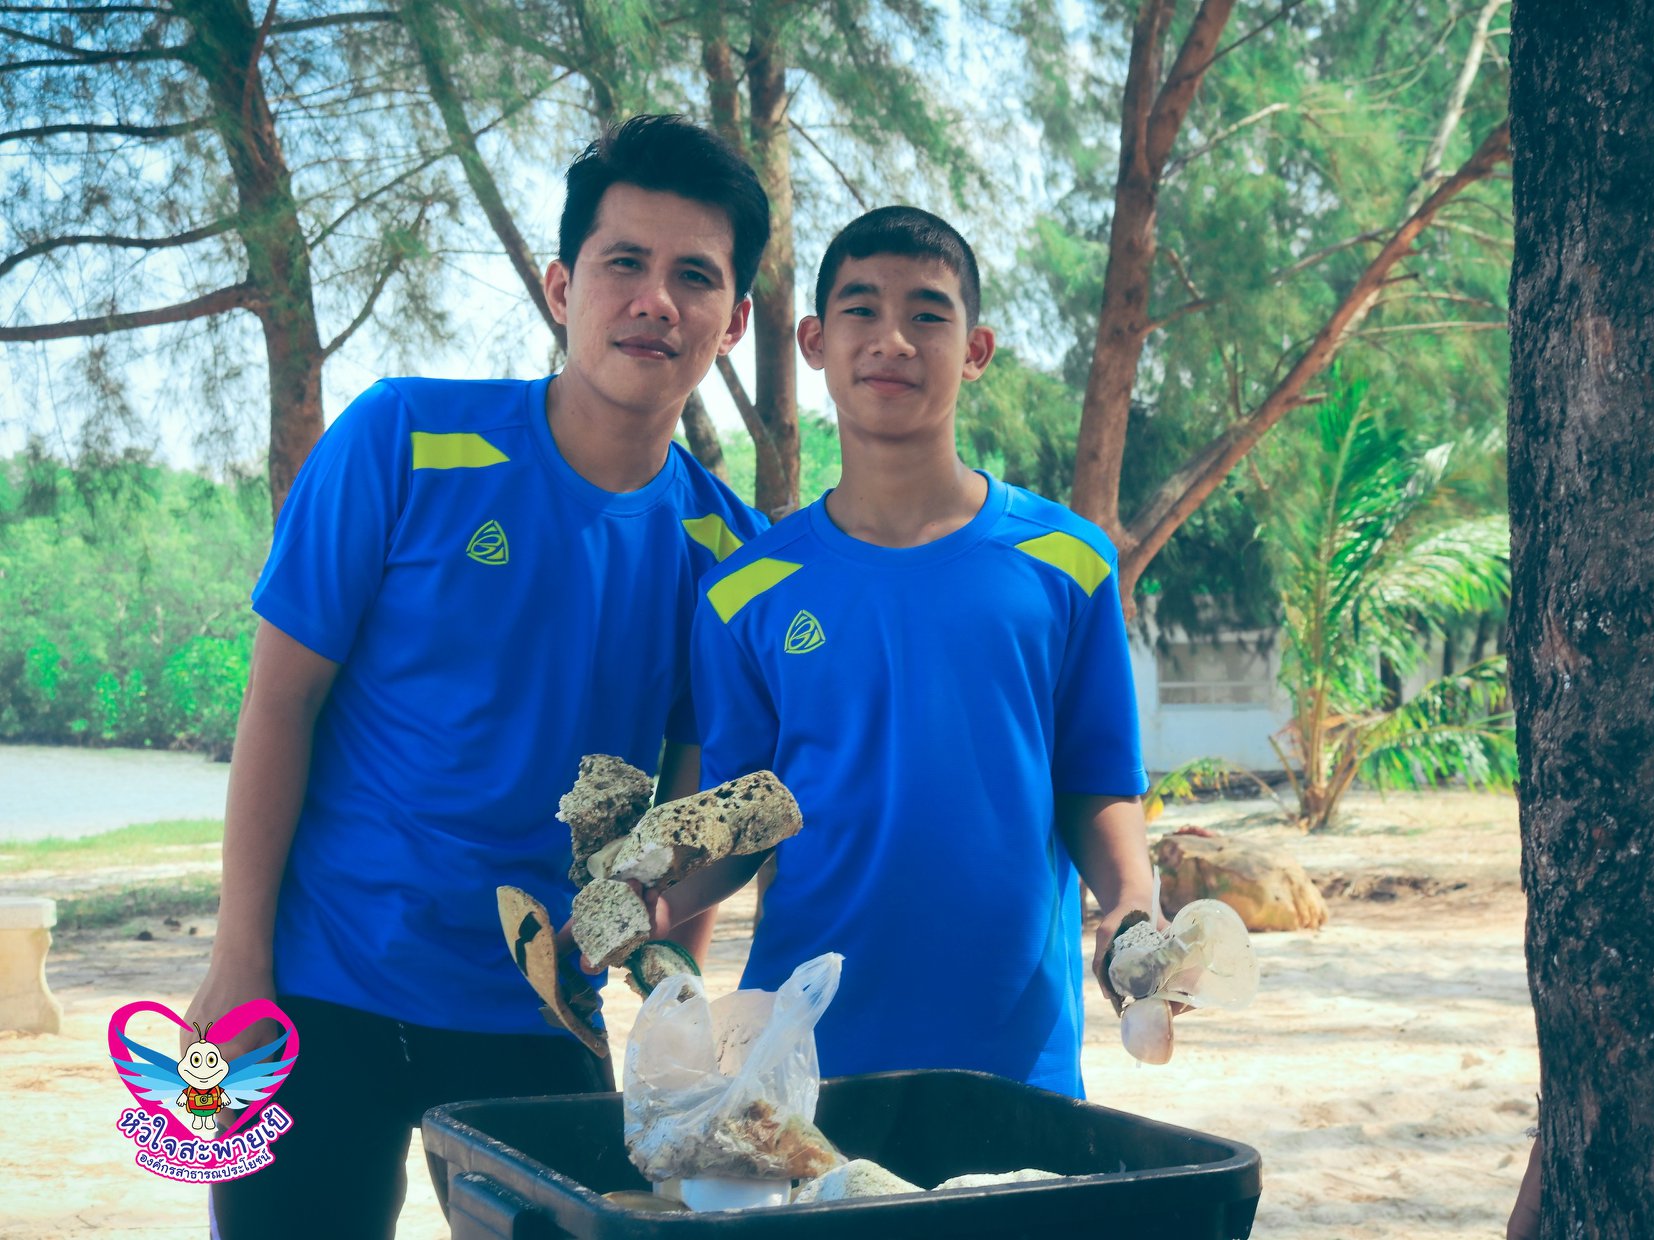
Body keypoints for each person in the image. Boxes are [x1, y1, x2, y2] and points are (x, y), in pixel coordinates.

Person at [185, 114, 770, 1239]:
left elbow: (698, 800)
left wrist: (673, 1003)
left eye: (695, 276)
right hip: (322, 986)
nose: (656, 300)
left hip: (539, 1012)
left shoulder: (729, 554)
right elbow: (280, 700)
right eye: (624, 263)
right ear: (562, 287)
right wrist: (238, 957)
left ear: (733, 320)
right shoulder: (404, 440)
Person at [664, 206, 1154, 1098]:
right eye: (861, 309)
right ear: (815, 341)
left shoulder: (1068, 562)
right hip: (805, 1058)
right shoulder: (744, 592)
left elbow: (1097, 783)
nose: (892, 339)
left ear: (976, 350)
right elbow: (739, 824)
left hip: (1016, 1053)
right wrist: (643, 904)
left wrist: (1133, 906)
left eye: (928, 314)